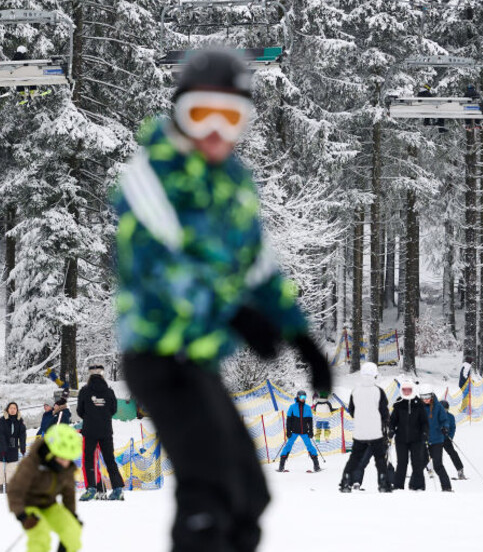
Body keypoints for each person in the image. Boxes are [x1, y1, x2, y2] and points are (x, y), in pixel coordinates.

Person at [114, 50, 330, 552]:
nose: (214, 130)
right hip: (158, 355)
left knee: (249, 494)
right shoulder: (151, 176)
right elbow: (161, 265)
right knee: (207, 492)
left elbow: (259, 268)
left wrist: (300, 337)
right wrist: (234, 311)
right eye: (200, 114)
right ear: (178, 114)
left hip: (199, 361)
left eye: (229, 116)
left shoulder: (233, 183)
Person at [7, 425, 82, 552]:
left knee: (72, 530)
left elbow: (68, 493)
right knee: (41, 535)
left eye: (69, 459)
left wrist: (72, 514)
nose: (66, 463)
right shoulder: (31, 464)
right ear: (51, 453)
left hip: (49, 505)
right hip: (29, 506)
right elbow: (15, 490)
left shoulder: (65, 468)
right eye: (62, 458)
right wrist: (23, 516)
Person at [339, 362, 391, 493]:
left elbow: (352, 410)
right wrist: (384, 422)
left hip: (360, 432)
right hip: (375, 432)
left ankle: (346, 481)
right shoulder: (378, 391)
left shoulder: (355, 391)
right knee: (380, 459)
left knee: (355, 458)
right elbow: (384, 412)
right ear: (375, 375)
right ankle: (383, 483)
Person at [76, 363, 125, 500]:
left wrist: (90, 416)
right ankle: (117, 489)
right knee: (110, 460)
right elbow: (113, 410)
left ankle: (91, 488)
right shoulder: (109, 392)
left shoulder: (84, 391)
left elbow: (80, 410)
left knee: (89, 460)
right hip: (106, 431)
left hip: (89, 431)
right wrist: (103, 415)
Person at [389, 381, 428, 491]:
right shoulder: (398, 403)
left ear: (413, 390)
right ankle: (398, 486)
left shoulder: (418, 404)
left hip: (416, 439)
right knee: (402, 463)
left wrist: (425, 432)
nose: (406, 392)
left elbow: (424, 422)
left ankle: (418, 486)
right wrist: (391, 429)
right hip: (401, 439)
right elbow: (392, 421)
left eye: (409, 390)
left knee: (417, 463)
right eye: (404, 390)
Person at [278, 390, 321, 472]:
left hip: (304, 432)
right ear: (298, 397)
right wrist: (288, 431)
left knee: (310, 447)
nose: (303, 399)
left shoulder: (308, 408)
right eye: (301, 397)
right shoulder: (292, 407)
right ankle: (281, 465)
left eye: (304, 397)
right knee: (288, 446)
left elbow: (310, 421)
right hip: (294, 432)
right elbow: (289, 420)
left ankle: (316, 465)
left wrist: (311, 431)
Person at [422, 386, 453, 492]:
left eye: (427, 397)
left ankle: (447, 487)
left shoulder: (438, 406)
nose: (425, 399)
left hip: (436, 440)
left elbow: (444, 420)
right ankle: (417, 487)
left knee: (438, 465)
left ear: (431, 395)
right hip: (423, 440)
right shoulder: (418, 407)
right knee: (419, 464)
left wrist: (445, 427)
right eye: (423, 397)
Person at [0, 402, 27, 494]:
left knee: (10, 472)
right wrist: (3, 449)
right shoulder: (2, 420)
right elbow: (0, 435)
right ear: (7, 409)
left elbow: (22, 435)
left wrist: (23, 448)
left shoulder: (20, 421)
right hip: (0, 449)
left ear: (17, 410)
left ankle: (9, 492)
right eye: (11, 408)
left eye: (14, 408)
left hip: (13, 448)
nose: (12, 410)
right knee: (0, 472)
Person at [438, 399, 465, 480]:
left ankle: (460, 470)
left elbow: (453, 428)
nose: (443, 411)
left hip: (446, 439)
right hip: (437, 439)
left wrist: (450, 436)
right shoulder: (435, 416)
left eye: (445, 409)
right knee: (431, 455)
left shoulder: (450, 417)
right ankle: (422, 471)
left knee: (453, 453)